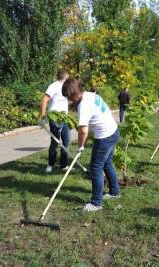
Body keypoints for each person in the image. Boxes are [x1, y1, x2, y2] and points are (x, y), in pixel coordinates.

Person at [62, 78, 121, 212]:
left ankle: (96, 203)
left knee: (95, 168)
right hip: (113, 131)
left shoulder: (83, 105)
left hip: (105, 137)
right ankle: (115, 192)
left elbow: (83, 131)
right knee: (107, 163)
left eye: (68, 96)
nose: (69, 100)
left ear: (73, 94)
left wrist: (80, 147)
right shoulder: (90, 94)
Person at [39, 70, 70, 173]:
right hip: (55, 118)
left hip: (65, 118)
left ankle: (64, 165)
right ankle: (50, 165)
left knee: (67, 141)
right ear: (65, 78)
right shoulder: (54, 86)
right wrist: (43, 117)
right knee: (55, 142)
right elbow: (44, 100)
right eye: (68, 78)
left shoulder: (67, 87)